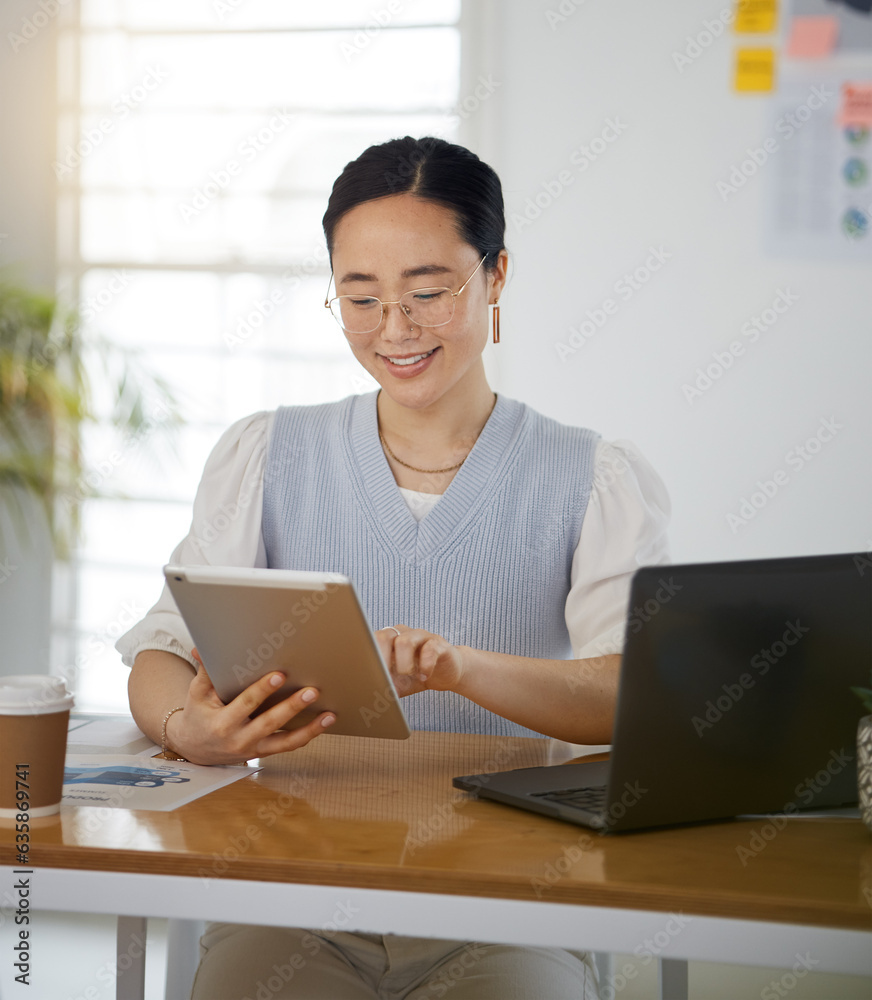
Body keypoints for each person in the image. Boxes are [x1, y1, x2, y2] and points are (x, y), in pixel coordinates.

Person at [117, 135, 669, 999]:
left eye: (428, 291)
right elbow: (164, 648)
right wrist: (186, 732)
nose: (395, 330)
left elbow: (631, 695)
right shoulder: (268, 453)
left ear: (496, 276)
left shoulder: (591, 475)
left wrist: (463, 669)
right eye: (361, 297)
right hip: (291, 897)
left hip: (508, 901)